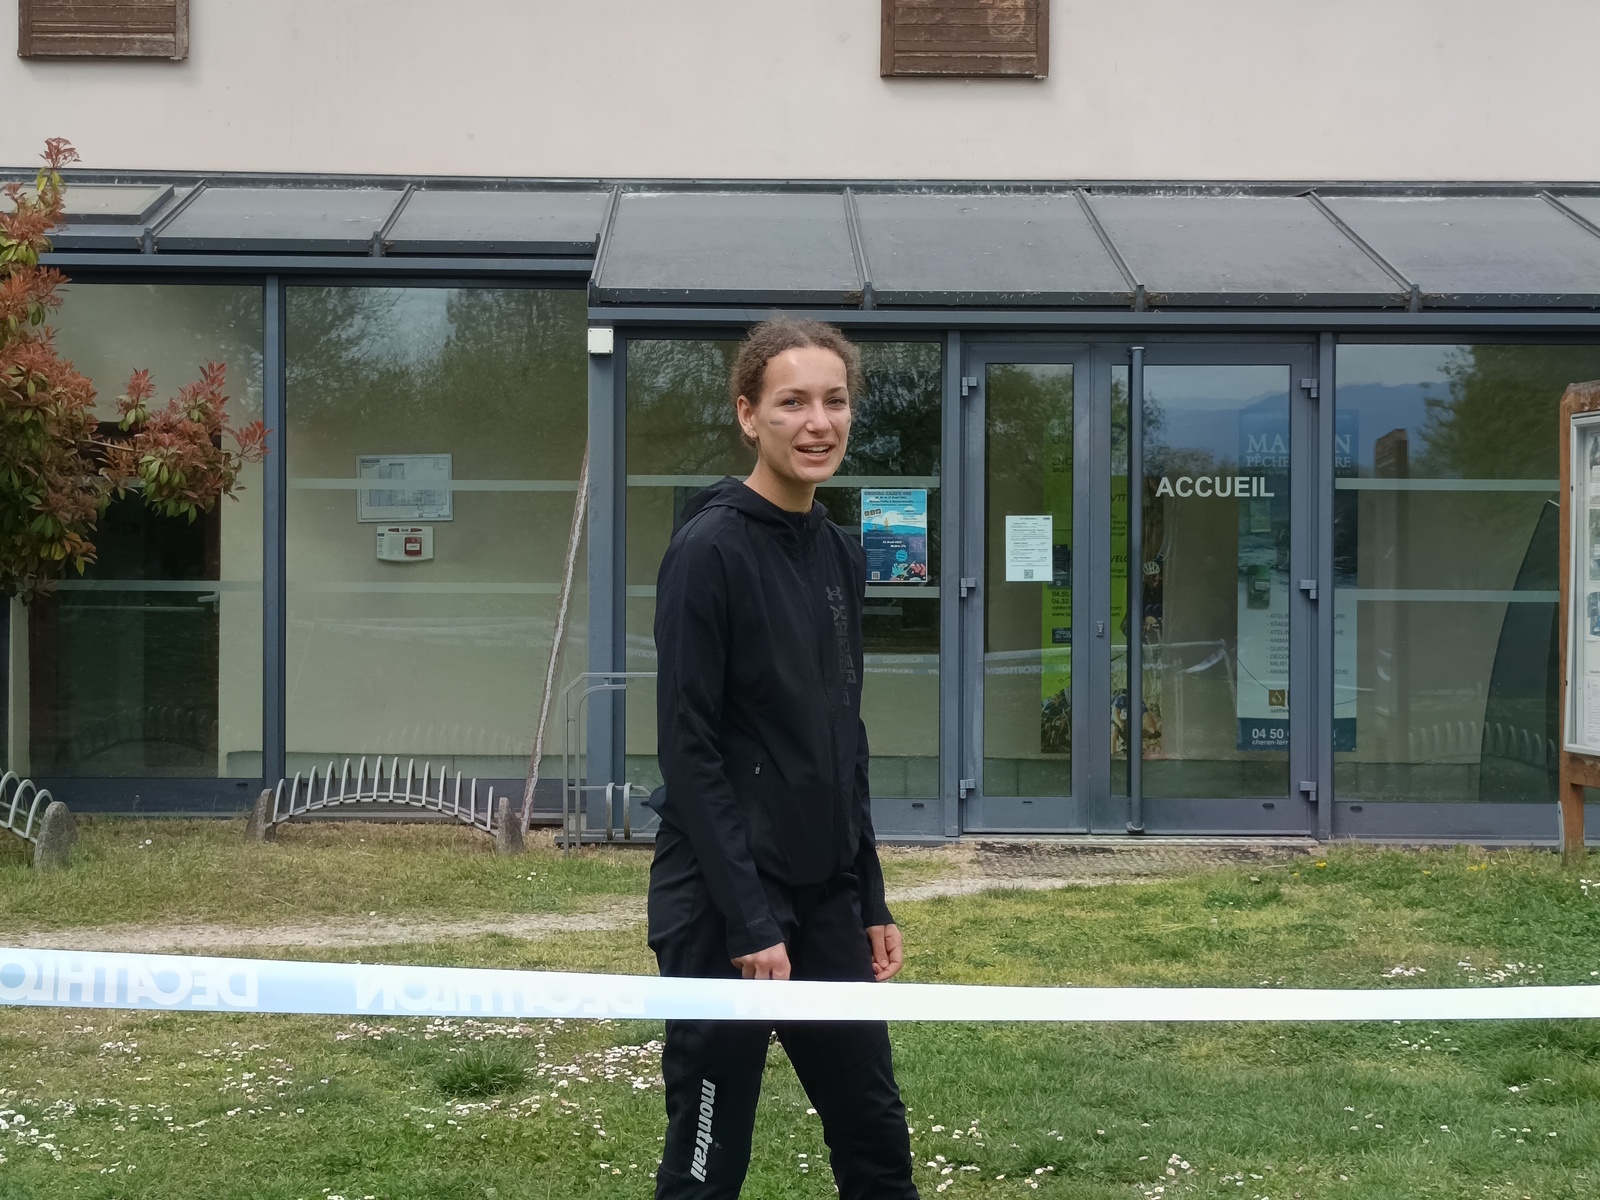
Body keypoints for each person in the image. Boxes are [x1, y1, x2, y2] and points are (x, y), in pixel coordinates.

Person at [646, 317, 920, 1199]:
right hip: (723, 902)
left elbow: (843, 737)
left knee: (876, 1140)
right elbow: (688, 748)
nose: (818, 423)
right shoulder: (709, 550)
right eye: (792, 402)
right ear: (748, 415)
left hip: (826, 893)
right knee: (709, 1158)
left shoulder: (840, 553)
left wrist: (868, 895)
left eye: (835, 401)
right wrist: (750, 921)